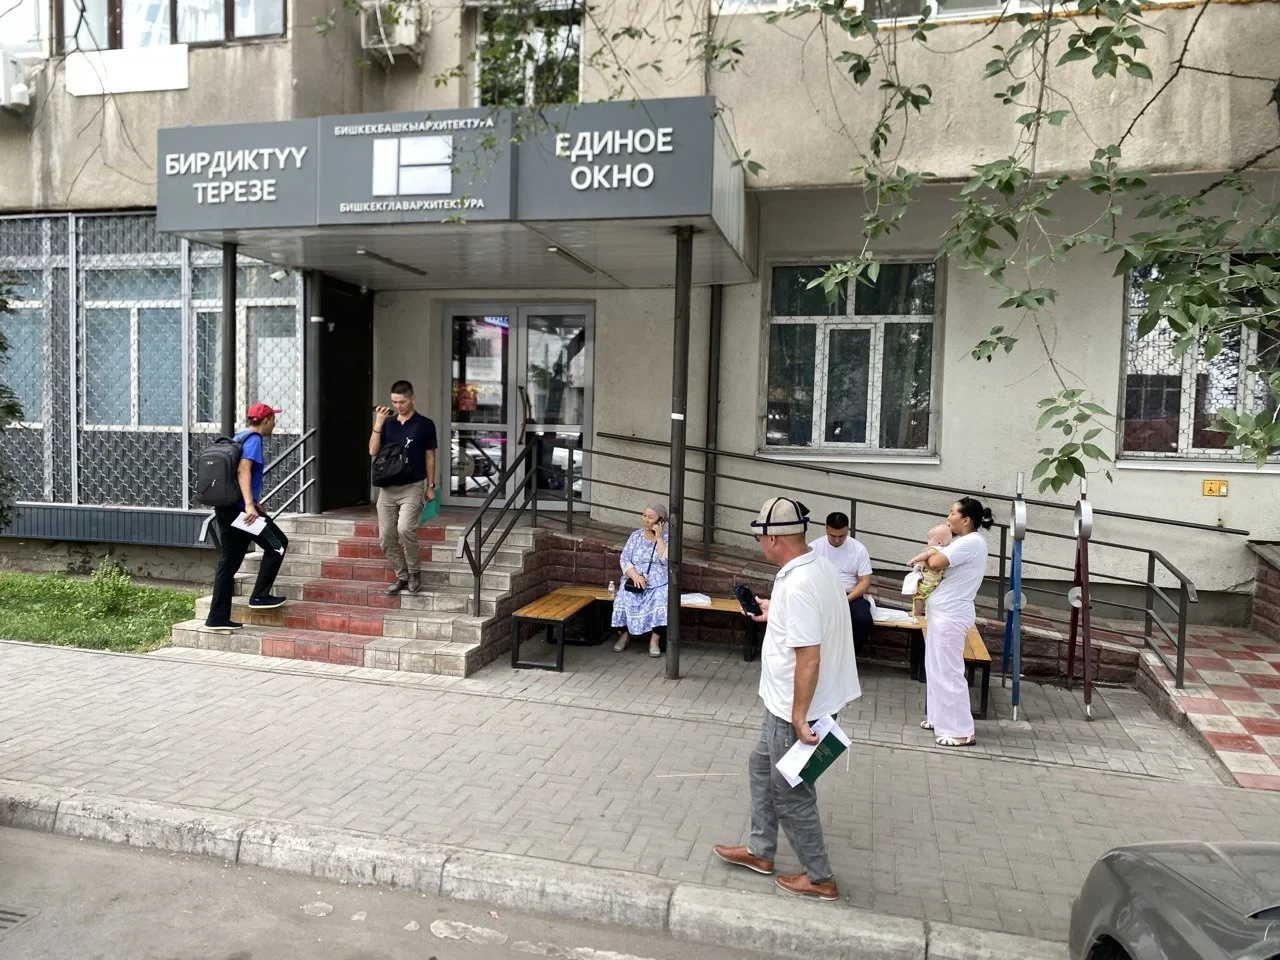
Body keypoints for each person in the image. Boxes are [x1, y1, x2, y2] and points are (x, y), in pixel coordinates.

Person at [714, 497, 861, 901]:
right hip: (789, 701)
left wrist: (799, 717)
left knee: (791, 790)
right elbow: (813, 618)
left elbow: (809, 656)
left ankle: (820, 878)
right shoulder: (817, 565)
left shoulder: (797, 583)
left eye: (759, 536)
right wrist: (773, 611)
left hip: (797, 709)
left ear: (773, 538)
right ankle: (761, 851)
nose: (759, 542)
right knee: (760, 765)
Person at [204, 403, 290, 632]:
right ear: (267, 419)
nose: (275, 424)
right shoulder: (253, 439)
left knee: (229, 562)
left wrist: (253, 501)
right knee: (278, 544)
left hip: (226, 509)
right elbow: (243, 470)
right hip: (242, 513)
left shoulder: (238, 437)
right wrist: (250, 505)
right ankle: (260, 596)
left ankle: (217, 617)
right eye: (273, 419)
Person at [919, 497, 992, 748]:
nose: (948, 517)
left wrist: (930, 553)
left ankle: (961, 731)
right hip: (942, 612)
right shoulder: (962, 541)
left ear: (966, 519)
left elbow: (935, 562)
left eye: (952, 513)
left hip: (951, 614)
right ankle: (939, 719)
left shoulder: (972, 542)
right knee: (935, 667)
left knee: (949, 671)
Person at [369, 380, 438, 596]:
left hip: (412, 486)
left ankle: (415, 572)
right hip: (388, 488)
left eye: (402, 401)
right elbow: (373, 451)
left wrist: (430, 485)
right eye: (394, 402)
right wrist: (378, 423)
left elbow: (430, 456)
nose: (398, 406)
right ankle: (402, 575)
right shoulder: (387, 423)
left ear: (412, 398)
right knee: (386, 536)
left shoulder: (425, 424)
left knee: (405, 529)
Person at [807, 512, 873, 653]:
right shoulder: (814, 548)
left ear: (848, 529)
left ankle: (850, 654)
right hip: (822, 595)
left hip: (850, 596)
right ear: (826, 528)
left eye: (842, 536)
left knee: (863, 619)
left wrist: (845, 600)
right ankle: (818, 654)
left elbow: (865, 582)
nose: (837, 540)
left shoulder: (858, 549)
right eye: (833, 535)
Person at [611, 503, 669, 658]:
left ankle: (654, 641)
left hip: (658, 583)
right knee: (622, 597)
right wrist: (635, 576)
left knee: (661, 600)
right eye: (644, 516)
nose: (645, 520)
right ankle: (624, 636)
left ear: (660, 521)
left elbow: (666, 561)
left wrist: (659, 538)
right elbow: (624, 559)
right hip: (635, 579)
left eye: (650, 517)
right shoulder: (635, 536)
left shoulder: (667, 538)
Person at [906, 522, 954, 618]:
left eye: (930, 538)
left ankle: (917, 612)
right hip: (936, 581)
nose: (927, 541)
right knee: (926, 598)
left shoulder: (935, 549)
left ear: (939, 542)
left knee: (918, 595)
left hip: (928, 581)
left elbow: (925, 555)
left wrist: (914, 560)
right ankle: (925, 613)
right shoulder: (947, 549)